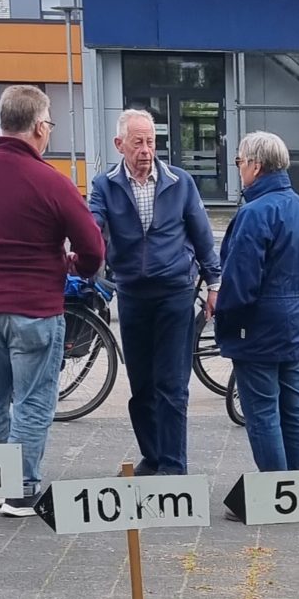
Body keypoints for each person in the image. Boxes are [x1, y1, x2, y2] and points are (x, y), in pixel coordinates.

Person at [0, 85, 104, 517]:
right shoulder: (51, 181)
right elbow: (92, 247)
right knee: (32, 399)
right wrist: (72, 265)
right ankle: (21, 489)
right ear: (39, 127)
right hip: (35, 307)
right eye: (50, 124)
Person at [90, 108, 221, 477]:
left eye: (151, 141)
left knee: (172, 384)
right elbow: (92, 224)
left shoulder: (180, 182)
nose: (146, 150)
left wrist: (215, 283)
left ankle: (174, 468)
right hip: (132, 294)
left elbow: (202, 235)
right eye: (138, 142)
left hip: (175, 293)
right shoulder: (105, 185)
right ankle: (153, 456)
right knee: (141, 386)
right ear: (119, 144)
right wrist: (83, 250)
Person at [216, 131, 299, 504]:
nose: (239, 168)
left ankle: (277, 492)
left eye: (239, 161)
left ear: (255, 166)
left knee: (261, 410)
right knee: (294, 405)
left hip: (258, 324)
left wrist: (225, 317)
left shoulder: (255, 212)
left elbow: (241, 279)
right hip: (294, 318)